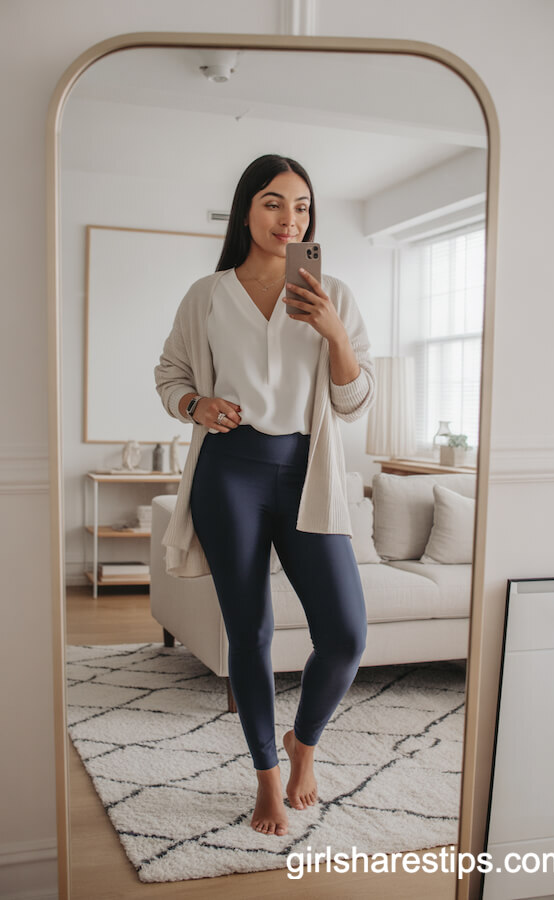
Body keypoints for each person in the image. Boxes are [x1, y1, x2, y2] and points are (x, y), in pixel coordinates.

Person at [154, 154, 375, 837]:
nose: (290, 219)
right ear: (247, 209)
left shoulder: (331, 292)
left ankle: (302, 742)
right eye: (274, 203)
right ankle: (267, 778)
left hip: (308, 472)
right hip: (230, 472)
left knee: (345, 634)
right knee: (249, 633)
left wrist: (334, 332)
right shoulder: (207, 294)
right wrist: (196, 404)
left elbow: (354, 400)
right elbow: (170, 375)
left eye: (302, 206)